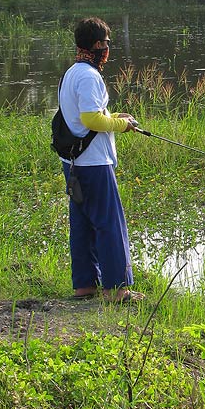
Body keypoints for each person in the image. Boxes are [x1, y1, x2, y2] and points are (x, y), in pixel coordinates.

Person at [58, 16, 141, 303]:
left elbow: (81, 118)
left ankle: (85, 286)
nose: (108, 48)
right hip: (93, 163)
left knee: (82, 223)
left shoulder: (71, 73)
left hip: (74, 163)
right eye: (106, 43)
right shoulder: (90, 76)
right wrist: (122, 125)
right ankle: (117, 290)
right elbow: (91, 119)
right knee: (109, 223)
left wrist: (117, 117)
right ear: (96, 45)